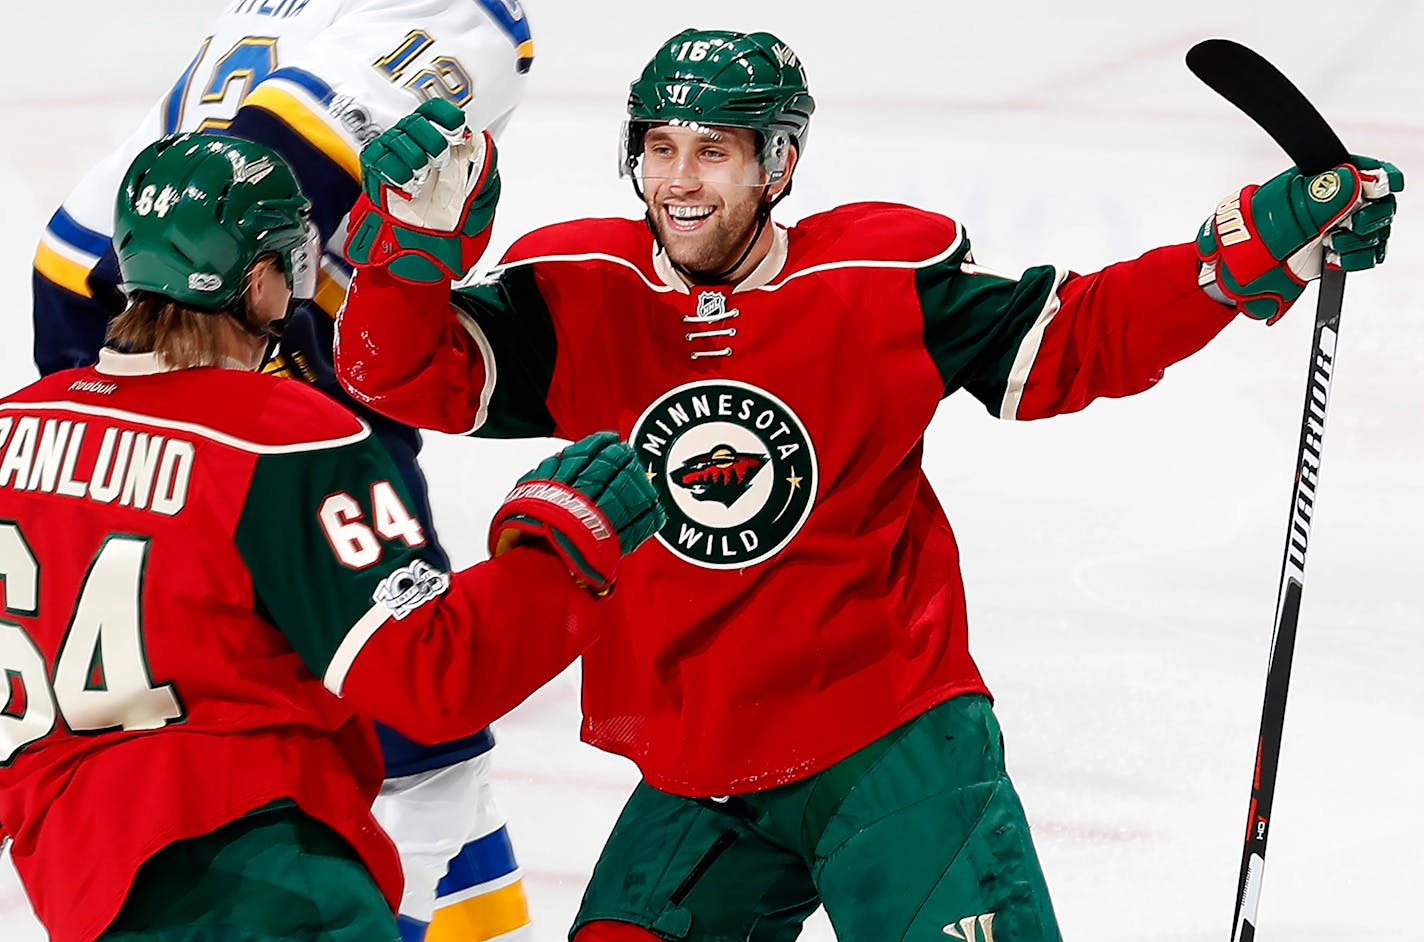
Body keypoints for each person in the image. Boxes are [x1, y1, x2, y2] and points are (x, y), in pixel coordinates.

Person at [331, 28, 1403, 942]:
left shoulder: (880, 278)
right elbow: (399, 373)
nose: (677, 179)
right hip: (695, 761)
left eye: (714, 150)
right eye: (656, 147)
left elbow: (1078, 341)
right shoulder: (580, 290)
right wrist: (406, 258)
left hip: (889, 743)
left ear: (779, 162)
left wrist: (1254, 245)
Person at [0, 133, 661, 942]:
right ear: (258, 281)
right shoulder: (281, 435)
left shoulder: (14, 429)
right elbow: (431, 673)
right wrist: (562, 546)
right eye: (291, 261)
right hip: (262, 875)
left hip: (79, 878)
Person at [30, 2, 543, 939]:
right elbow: (274, 167)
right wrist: (271, 409)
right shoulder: (468, 14)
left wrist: (120, 406)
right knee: (415, 708)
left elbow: (73, 255)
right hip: (274, 383)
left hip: (152, 362)